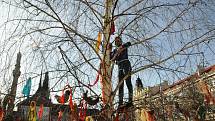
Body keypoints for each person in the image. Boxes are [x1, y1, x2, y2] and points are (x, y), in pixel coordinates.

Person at [110, 36, 133, 107]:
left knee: (128, 82)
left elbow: (129, 43)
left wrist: (122, 47)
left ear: (121, 41)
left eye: (118, 40)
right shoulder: (114, 51)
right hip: (120, 67)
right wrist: (109, 50)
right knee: (120, 85)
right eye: (116, 41)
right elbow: (110, 58)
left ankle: (130, 101)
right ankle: (120, 103)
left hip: (126, 64)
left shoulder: (124, 46)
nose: (117, 42)